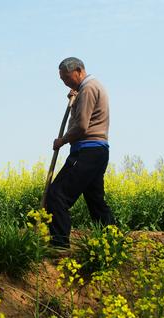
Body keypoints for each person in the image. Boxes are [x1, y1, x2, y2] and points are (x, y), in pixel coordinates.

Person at [46, 57, 115, 248]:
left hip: (87, 150)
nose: (65, 82)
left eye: (67, 77)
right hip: (97, 151)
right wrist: (74, 99)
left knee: (56, 195)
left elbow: (82, 127)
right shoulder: (86, 89)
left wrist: (63, 140)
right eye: (62, 79)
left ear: (78, 70)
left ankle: (59, 244)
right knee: (95, 202)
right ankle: (112, 243)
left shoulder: (88, 88)